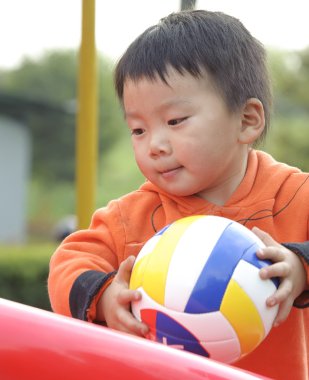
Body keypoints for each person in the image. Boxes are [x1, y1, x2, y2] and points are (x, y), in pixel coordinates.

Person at [48, 10, 309, 379]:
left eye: (175, 121)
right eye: (138, 130)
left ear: (247, 120)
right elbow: (68, 262)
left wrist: (301, 266)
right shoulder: (131, 217)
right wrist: (105, 297)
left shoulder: (295, 196)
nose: (154, 145)